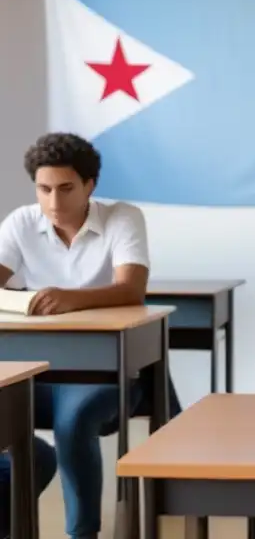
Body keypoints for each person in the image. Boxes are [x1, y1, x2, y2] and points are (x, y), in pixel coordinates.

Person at [0, 133, 155, 539]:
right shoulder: (21, 222)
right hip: (34, 367)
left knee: (72, 423)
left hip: (102, 371)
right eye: (44, 189)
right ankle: (21, 502)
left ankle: (82, 534)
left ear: (90, 185)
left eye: (65, 188)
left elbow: (132, 289)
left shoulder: (122, 217)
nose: (53, 202)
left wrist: (74, 299)